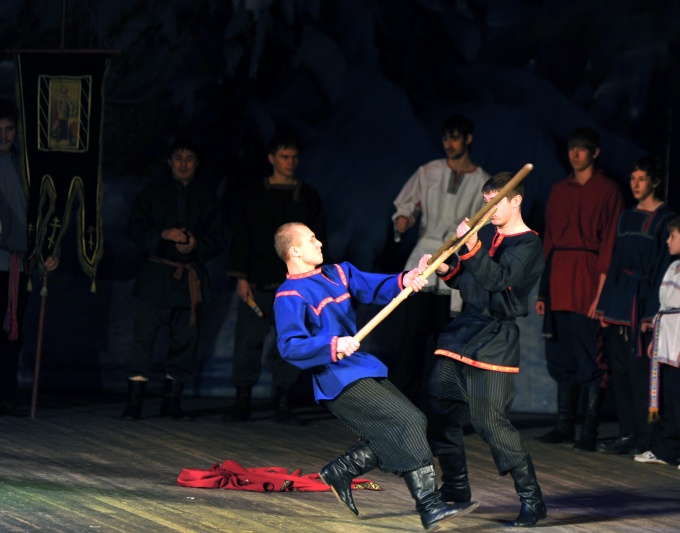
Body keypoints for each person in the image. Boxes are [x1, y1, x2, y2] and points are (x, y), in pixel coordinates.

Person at [272, 223, 478, 531]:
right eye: (311, 239)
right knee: (408, 422)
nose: (319, 243)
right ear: (294, 251)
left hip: (358, 366)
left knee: (409, 424)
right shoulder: (288, 295)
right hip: (335, 376)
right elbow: (290, 346)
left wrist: (406, 279)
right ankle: (430, 506)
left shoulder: (338, 273)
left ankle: (342, 470)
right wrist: (333, 345)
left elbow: (373, 285)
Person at [426, 172, 547, 527]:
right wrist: (448, 268)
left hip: (495, 340)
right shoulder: (488, 236)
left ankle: (532, 499)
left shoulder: (529, 244)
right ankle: (456, 487)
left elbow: (497, 280)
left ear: (516, 200)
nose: (488, 209)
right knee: (439, 409)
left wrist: (472, 247)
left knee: (490, 423)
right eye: (485, 202)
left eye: (495, 202)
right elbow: (471, 283)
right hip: (463, 332)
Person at [121, 138, 226, 420]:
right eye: (178, 158)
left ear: (197, 164)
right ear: (169, 162)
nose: (183, 164)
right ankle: (134, 403)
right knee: (144, 339)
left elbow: (218, 239)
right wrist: (162, 234)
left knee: (185, 341)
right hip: (156, 277)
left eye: (189, 159)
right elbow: (134, 229)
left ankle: (171, 401)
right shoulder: (152, 194)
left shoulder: (207, 199)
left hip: (189, 280)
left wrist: (196, 245)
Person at [390, 113, 490, 404]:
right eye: (446, 138)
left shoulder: (481, 181)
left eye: (455, 138)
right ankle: (403, 405)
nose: (449, 143)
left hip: (455, 263)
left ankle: (441, 407)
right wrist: (404, 219)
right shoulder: (429, 171)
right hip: (424, 259)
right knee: (412, 337)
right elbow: (406, 205)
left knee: (446, 341)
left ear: (468, 139)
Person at [226, 134, 326, 425]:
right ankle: (242, 400)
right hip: (259, 281)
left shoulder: (308, 195)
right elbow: (243, 235)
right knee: (248, 341)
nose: (290, 162)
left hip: (295, 286)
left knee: (293, 340)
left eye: (294, 157)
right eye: (284, 156)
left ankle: (283, 401)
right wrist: (241, 277)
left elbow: (318, 239)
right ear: (272, 158)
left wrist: (314, 281)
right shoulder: (255, 193)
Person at [535, 127, 624, 452]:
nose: (575, 154)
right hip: (559, 277)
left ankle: (588, 430)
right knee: (561, 353)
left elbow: (610, 243)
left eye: (582, 148)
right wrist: (543, 291)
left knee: (590, 354)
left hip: (588, 277)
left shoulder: (608, 190)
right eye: (572, 148)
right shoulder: (559, 190)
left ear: (595, 152)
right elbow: (549, 241)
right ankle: (564, 425)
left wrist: (601, 292)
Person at [596, 156, 676, 455]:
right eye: (633, 179)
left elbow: (664, 268)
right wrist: (605, 306)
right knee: (620, 371)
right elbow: (616, 261)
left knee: (640, 372)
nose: (636, 184)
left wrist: (650, 312)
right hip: (620, 300)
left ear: (655, 182)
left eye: (642, 179)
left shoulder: (665, 218)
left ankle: (646, 437)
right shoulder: (626, 216)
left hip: (643, 300)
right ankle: (627, 433)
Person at [633, 216, 680, 471]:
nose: (667, 241)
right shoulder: (673, 266)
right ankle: (666, 449)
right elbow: (665, 305)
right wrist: (656, 339)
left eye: (672, 236)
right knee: (667, 395)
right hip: (666, 337)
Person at [0, 99, 59, 416]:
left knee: (12, 333)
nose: (4, 135)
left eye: (9, 129)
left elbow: (44, 214)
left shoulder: (28, 168)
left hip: (16, 265)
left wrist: (49, 251)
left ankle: (5, 394)